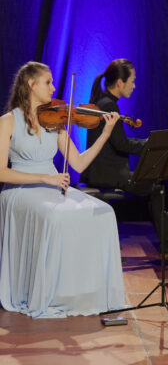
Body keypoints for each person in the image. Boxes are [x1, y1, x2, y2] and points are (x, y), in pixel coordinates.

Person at [0, 61, 125, 318]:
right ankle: (50, 293)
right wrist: (45, 178)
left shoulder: (55, 120)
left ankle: (84, 291)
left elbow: (78, 163)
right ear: (31, 84)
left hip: (52, 186)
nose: (54, 87)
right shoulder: (8, 121)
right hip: (20, 191)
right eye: (48, 82)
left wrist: (105, 133)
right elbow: (1, 171)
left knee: (104, 212)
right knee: (55, 215)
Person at [80, 59, 168, 256]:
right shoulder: (108, 106)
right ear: (120, 83)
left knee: (153, 183)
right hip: (107, 174)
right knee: (157, 188)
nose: (134, 85)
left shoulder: (103, 102)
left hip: (102, 170)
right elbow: (122, 144)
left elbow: (119, 140)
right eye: (132, 80)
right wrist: (151, 144)